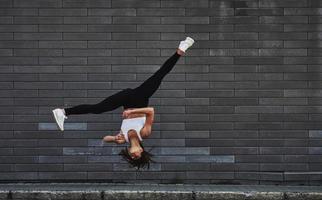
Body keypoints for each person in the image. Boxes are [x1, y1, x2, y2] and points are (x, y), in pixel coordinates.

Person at [52, 37, 195, 170]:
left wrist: (114, 138)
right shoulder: (144, 134)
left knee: (98, 108)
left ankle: (63, 112)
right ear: (141, 150)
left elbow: (105, 139)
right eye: (137, 156)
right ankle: (180, 50)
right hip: (140, 98)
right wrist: (132, 112)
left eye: (132, 158)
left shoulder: (123, 138)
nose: (134, 156)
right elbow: (150, 111)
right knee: (159, 75)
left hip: (126, 99)